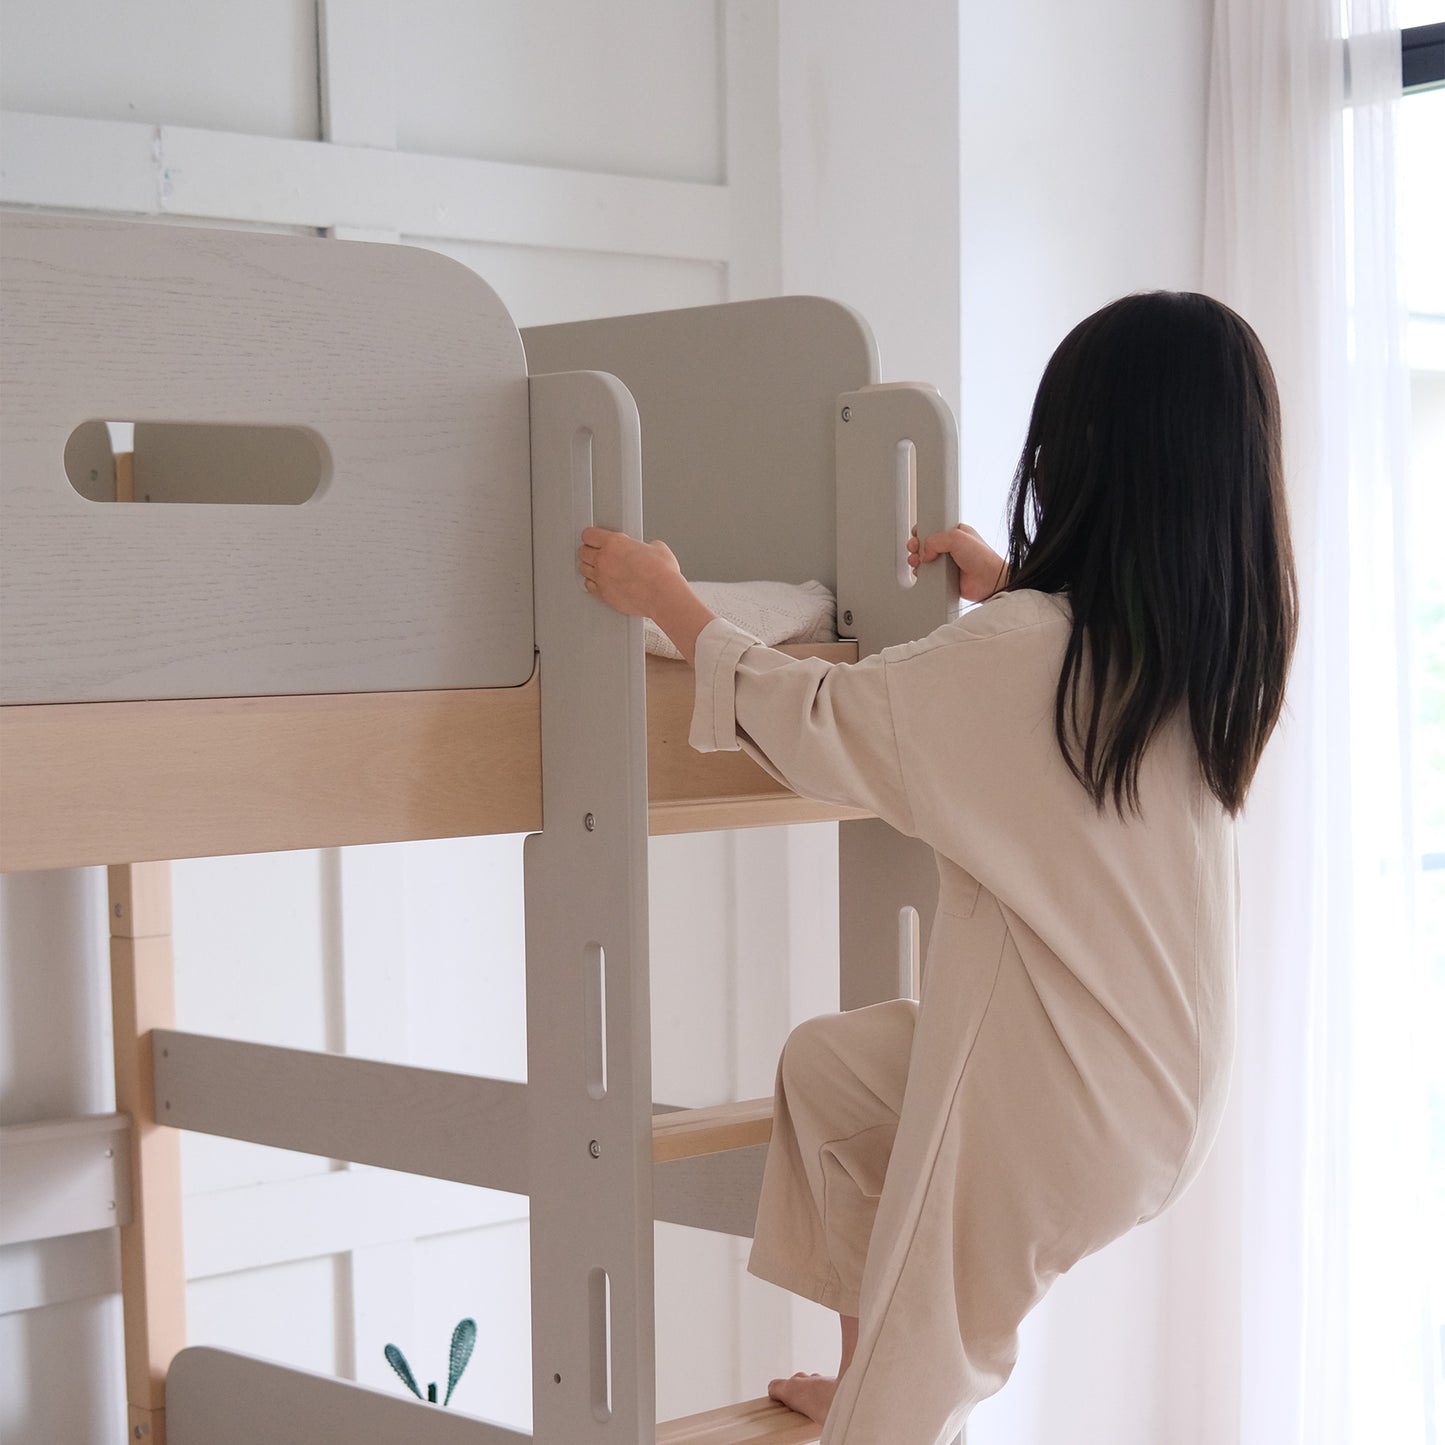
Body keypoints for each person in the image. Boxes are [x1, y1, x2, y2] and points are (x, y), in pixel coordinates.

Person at [577, 291, 1297, 1444]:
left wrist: (668, 598)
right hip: (1148, 1081)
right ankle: (872, 1383)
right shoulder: (1179, 653)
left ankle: (883, 1410)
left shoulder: (1028, 652)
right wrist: (1007, 583)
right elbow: (1037, 715)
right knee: (831, 1071)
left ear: (1089, 459)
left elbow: (826, 721)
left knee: (925, 1353)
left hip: (1058, 1089)